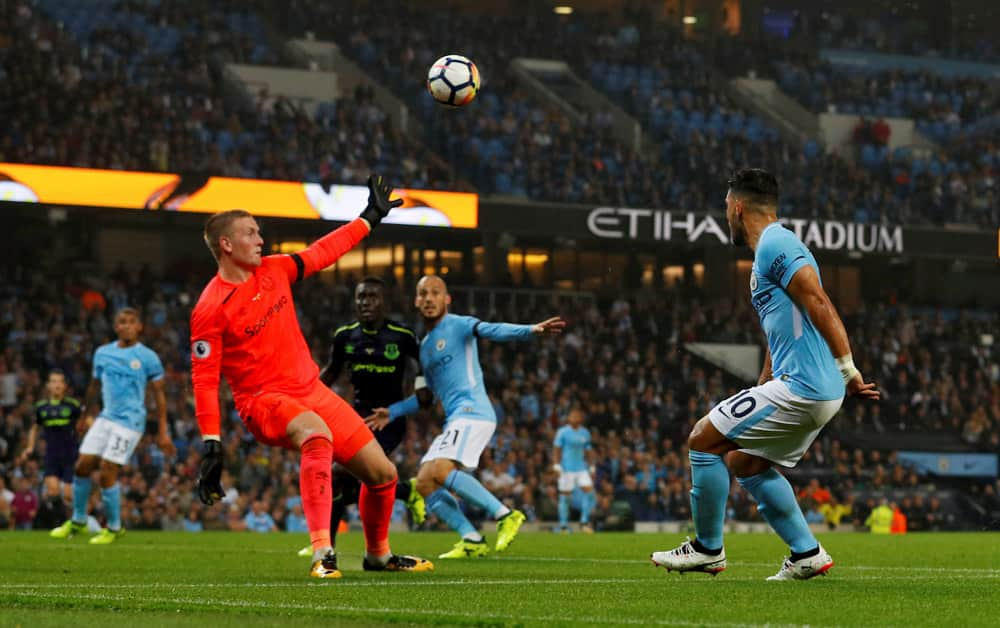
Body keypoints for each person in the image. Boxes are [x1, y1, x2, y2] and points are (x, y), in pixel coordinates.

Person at [189, 174, 431, 579]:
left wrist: (368, 218)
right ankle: (323, 552)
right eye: (251, 233)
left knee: (384, 474)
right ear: (227, 245)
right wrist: (212, 444)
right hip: (264, 402)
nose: (261, 239)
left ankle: (378, 556)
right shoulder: (209, 308)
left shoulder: (275, 270)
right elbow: (203, 379)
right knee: (316, 436)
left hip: (310, 391)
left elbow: (323, 252)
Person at [651, 169, 879, 581]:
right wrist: (764, 381)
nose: (726, 216)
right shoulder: (769, 251)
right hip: (806, 386)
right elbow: (785, 328)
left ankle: (706, 549)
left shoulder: (776, 242)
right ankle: (807, 553)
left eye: (725, 208)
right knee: (743, 462)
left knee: (703, 440)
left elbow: (818, 300)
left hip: (807, 386)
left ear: (737, 207)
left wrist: (849, 368)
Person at [366, 275, 565, 558]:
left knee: (441, 470)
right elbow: (429, 397)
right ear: (416, 301)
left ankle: (505, 515)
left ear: (447, 300)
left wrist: (531, 330)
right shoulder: (424, 347)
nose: (429, 299)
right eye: (423, 293)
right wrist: (393, 411)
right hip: (456, 418)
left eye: (435, 293)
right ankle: (471, 538)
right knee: (424, 482)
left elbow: (493, 330)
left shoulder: (458, 324)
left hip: (474, 412)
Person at [296, 276, 426, 558]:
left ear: (384, 302)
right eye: (361, 297)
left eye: (372, 297)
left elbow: (424, 368)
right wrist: (303, 397)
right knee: (342, 479)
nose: (366, 303)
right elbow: (331, 372)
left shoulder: (401, 336)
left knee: (343, 474)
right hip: (354, 416)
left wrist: (418, 390)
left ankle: (399, 498)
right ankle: (328, 543)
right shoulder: (345, 336)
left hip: (389, 419)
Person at [50, 307, 175, 544]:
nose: (126, 326)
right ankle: (78, 521)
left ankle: (115, 528)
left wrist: (163, 432)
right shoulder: (102, 353)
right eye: (121, 322)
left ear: (139, 326)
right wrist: (84, 415)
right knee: (82, 467)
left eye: (131, 322)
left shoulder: (148, 357)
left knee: (108, 470)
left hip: (130, 422)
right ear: (116, 327)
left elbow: (160, 396)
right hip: (106, 418)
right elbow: (94, 386)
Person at [18, 370, 83, 503]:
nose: (57, 385)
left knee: (68, 495)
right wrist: (30, 447)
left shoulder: (73, 406)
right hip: (51, 455)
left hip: (70, 455)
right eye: (53, 381)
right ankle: (58, 519)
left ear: (65, 385)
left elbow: (85, 422)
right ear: (48, 385)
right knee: (53, 491)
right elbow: (34, 428)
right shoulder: (41, 407)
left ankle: (77, 520)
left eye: (60, 381)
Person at [552, 405, 595, 533]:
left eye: (577, 415)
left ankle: (584, 522)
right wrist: (556, 465)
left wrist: (592, 466)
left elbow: (588, 451)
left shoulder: (585, 433)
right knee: (565, 497)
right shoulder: (563, 432)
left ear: (581, 418)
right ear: (569, 418)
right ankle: (564, 526)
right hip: (566, 469)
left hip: (581, 468)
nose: (574, 417)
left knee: (590, 493)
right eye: (572, 415)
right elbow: (556, 449)